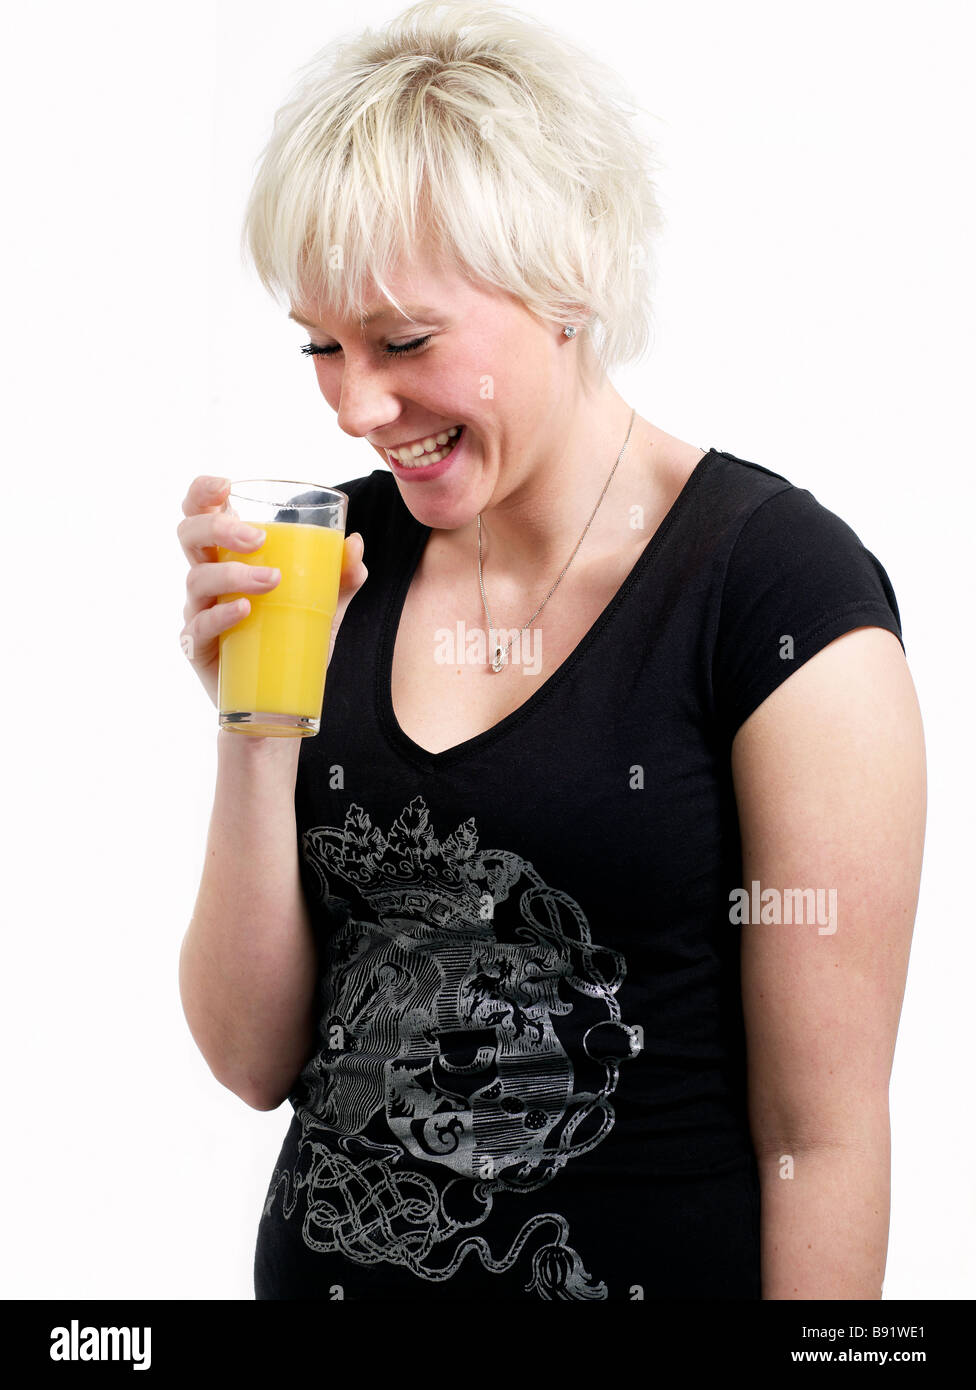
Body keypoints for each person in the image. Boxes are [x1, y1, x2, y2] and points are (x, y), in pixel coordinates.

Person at [177, 1, 926, 1301]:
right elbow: (251, 1060)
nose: (356, 406)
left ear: (568, 288)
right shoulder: (341, 555)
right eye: (321, 346)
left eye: (404, 342)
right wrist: (256, 726)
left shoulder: (775, 596)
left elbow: (826, 1139)